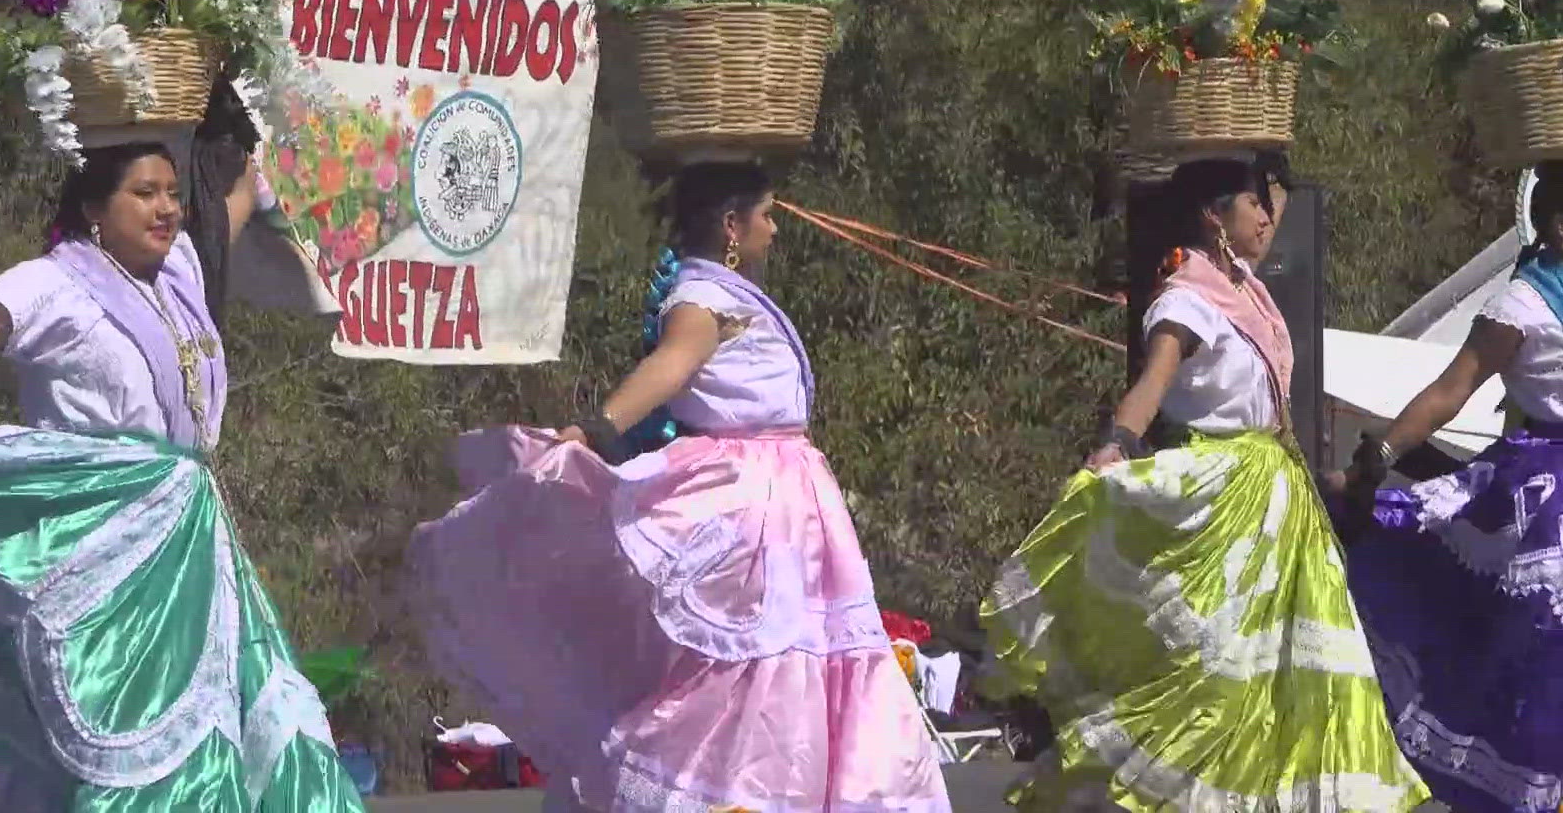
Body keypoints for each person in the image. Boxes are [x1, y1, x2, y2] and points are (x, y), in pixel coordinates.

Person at [0, 134, 364, 813]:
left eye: (171, 193)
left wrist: (253, 129)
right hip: (98, 554)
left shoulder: (182, 273)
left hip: (188, 544)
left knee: (223, 720)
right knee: (116, 729)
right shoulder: (53, 284)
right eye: (144, 193)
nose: (166, 209)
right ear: (92, 208)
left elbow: (232, 206)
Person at [405, 160, 953, 812]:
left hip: (789, 497)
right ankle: (741, 789)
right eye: (767, 214)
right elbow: (671, 364)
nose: (775, 229)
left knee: (783, 662)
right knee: (752, 662)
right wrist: (596, 430)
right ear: (731, 225)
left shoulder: (724, 292)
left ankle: (785, 787)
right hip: (755, 495)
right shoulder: (704, 299)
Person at [979, 157, 1428, 812]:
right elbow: (1153, 385)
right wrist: (1111, 450)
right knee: (1216, 676)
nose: (1268, 217)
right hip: (1220, 499)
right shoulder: (1187, 294)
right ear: (1215, 216)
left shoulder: (1246, 286)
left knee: (1283, 678)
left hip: (1278, 502)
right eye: (1254, 205)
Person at [1325, 161, 1563, 813]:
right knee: (1543, 647)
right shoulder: (1522, 305)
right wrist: (1380, 456)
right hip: (1548, 487)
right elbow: (1451, 391)